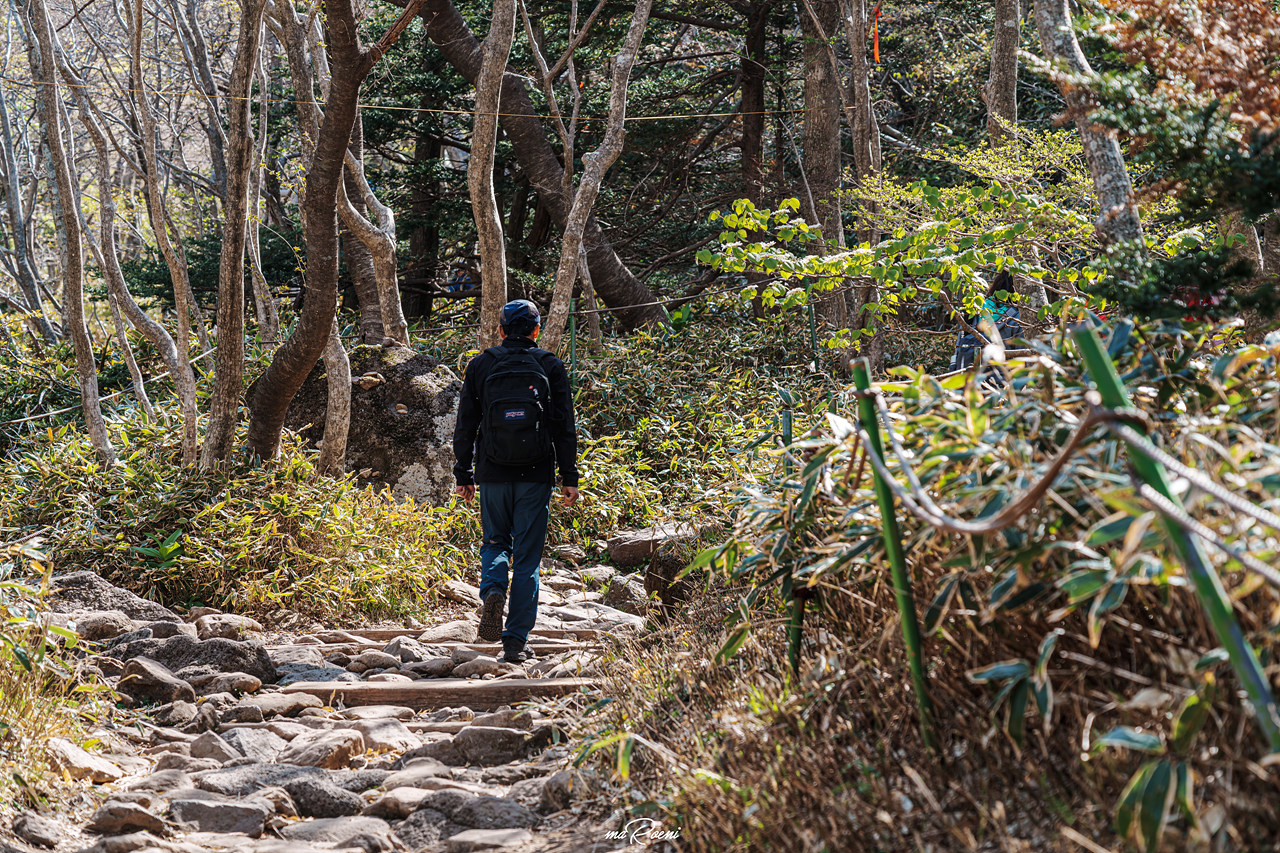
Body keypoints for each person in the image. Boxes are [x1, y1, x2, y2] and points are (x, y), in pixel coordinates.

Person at [452, 299, 579, 664]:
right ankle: (515, 642)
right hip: (536, 475)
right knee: (527, 558)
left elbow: (466, 424)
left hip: (492, 473)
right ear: (537, 330)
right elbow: (564, 426)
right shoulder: (550, 365)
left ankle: (493, 590)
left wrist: (464, 473)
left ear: (501, 330)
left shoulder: (481, 364)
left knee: (494, 541)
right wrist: (569, 476)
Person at [949, 270, 1022, 371]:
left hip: (968, 377)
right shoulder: (1017, 318)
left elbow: (958, 347)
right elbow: (1022, 361)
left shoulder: (974, 309)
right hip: (1000, 378)